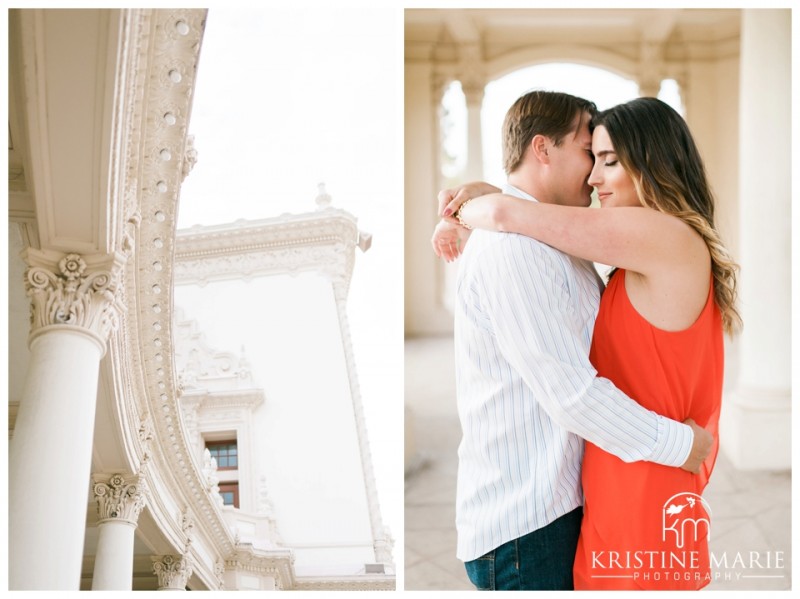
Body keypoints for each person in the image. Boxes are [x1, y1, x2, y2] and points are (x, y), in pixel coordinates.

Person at [434, 95, 740, 590]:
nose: (595, 177)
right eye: (591, 155)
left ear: (653, 161)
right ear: (543, 150)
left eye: (610, 161)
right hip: (583, 494)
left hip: (638, 481)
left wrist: (466, 205)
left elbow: (515, 216)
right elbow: (521, 217)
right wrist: (469, 204)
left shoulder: (658, 236)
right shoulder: (595, 242)